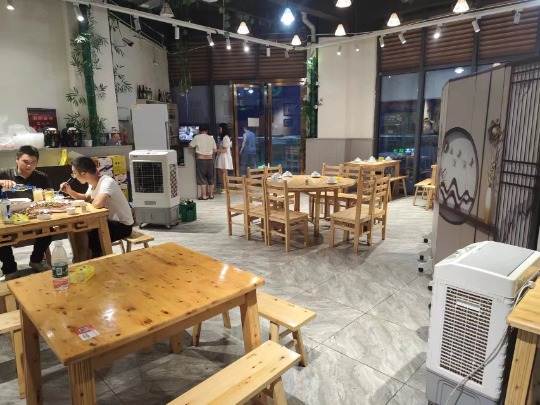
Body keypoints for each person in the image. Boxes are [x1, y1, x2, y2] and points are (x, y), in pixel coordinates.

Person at [60, 156, 133, 260]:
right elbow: (86, 198)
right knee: (77, 230)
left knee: (87, 234)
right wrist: (70, 191)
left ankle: (92, 260)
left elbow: (97, 204)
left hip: (122, 225)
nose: (74, 177)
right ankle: (81, 259)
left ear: (84, 174)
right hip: (108, 221)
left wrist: (90, 202)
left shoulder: (107, 182)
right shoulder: (93, 183)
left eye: (74, 173)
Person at [0, 145, 53, 279]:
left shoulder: (41, 177)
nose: (29, 166)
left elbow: (48, 196)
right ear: (17, 159)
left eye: (33, 162)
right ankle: (9, 269)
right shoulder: (5, 173)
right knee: (1, 235)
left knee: (49, 228)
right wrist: (1, 182)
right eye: (25, 162)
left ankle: (36, 260)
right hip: (7, 215)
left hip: (33, 214)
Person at [189, 124, 217, 200]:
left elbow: (190, 146)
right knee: (211, 177)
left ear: (199, 130)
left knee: (202, 178)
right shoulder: (211, 138)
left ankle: (204, 196)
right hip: (210, 160)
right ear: (207, 130)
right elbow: (215, 150)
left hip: (201, 160)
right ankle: (211, 195)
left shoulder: (197, 137)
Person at [215, 123, 233, 193]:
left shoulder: (226, 137)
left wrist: (217, 150)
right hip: (222, 156)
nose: (219, 130)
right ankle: (223, 186)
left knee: (224, 173)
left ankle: (226, 187)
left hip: (224, 157)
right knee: (220, 172)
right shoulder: (223, 137)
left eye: (220, 128)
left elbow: (225, 150)